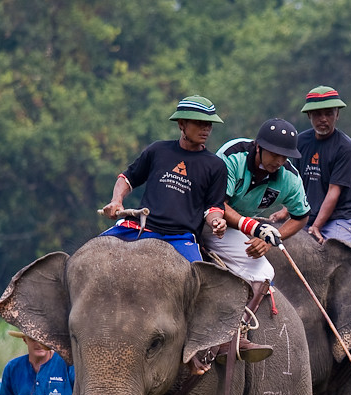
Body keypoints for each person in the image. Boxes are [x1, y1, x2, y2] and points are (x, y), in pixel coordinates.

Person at [100, 95, 280, 371]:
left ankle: (194, 351)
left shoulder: (214, 166)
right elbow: (127, 179)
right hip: (141, 227)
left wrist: (218, 221)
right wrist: (117, 201)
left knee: (197, 288)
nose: (206, 129)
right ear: (181, 124)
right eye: (199, 123)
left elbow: (213, 208)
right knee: (93, 255)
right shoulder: (158, 151)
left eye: (210, 124)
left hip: (181, 237)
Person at [202, 118, 311, 284]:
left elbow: (301, 216)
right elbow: (218, 204)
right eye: (274, 154)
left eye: (284, 157)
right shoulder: (234, 155)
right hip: (207, 217)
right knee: (263, 272)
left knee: (265, 274)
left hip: (235, 229)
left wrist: (271, 238)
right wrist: (257, 229)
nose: (279, 162)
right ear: (258, 146)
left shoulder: (291, 178)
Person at [296, 86, 351, 244]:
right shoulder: (300, 142)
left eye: (329, 113)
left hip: (340, 218)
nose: (323, 119)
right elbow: (295, 182)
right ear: (308, 116)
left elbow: (334, 192)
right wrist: (286, 211)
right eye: (317, 114)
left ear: (337, 114)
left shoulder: (346, 148)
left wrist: (316, 226)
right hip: (306, 216)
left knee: (335, 254)